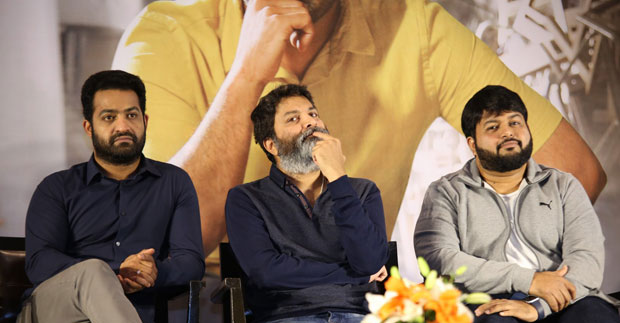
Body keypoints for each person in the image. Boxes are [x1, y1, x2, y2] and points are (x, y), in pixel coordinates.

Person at [112, 0, 606, 258]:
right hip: (202, 311)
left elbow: (575, 172)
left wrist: (471, 274)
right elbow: (167, 240)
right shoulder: (165, 36)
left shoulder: (412, 25)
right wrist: (246, 77)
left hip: (348, 302)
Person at [225, 83, 453, 323]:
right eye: (293, 119)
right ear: (271, 144)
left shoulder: (360, 191)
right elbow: (267, 271)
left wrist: (337, 176)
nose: (310, 122)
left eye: (313, 114)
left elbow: (370, 260)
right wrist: (351, 274)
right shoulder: (246, 198)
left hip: (363, 320)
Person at [17, 70, 224, 323]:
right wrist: (116, 274)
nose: (122, 126)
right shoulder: (57, 188)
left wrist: (153, 272)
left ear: (145, 120)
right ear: (89, 127)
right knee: (93, 271)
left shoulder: (173, 183)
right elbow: (39, 263)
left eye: (131, 115)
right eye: (109, 117)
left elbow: (190, 262)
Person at [413, 85, 620, 323]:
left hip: (558, 307)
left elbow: (587, 261)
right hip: (485, 310)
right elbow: (442, 261)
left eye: (515, 123)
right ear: (472, 143)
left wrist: (538, 305)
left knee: (594, 321)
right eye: (493, 127)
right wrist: (529, 280)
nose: (508, 132)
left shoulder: (563, 186)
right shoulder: (446, 193)